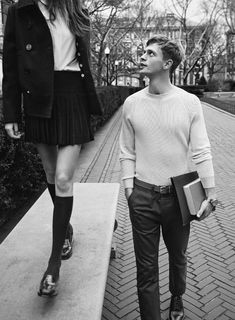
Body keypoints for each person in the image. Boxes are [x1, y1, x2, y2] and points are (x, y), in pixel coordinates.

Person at [3, 0, 102, 297]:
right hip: (38, 98)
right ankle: (66, 227)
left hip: (72, 96)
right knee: (49, 171)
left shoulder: (75, 9)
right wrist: (10, 113)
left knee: (63, 178)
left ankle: (53, 265)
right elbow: (10, 63)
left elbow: (85, 57)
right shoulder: (19, 12)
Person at [119, 35, 217, 320]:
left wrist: (210, 192)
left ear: (168, 63)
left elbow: (201, 150)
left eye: (150, 53)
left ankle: (177, 297)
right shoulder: (132, 104)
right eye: (143, 51)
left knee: (178, 257)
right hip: (142, 196)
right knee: (145, 269)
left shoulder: (189, 103)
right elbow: (127, 151)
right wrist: (129, 190)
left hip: (178, 197)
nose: (142, 56)